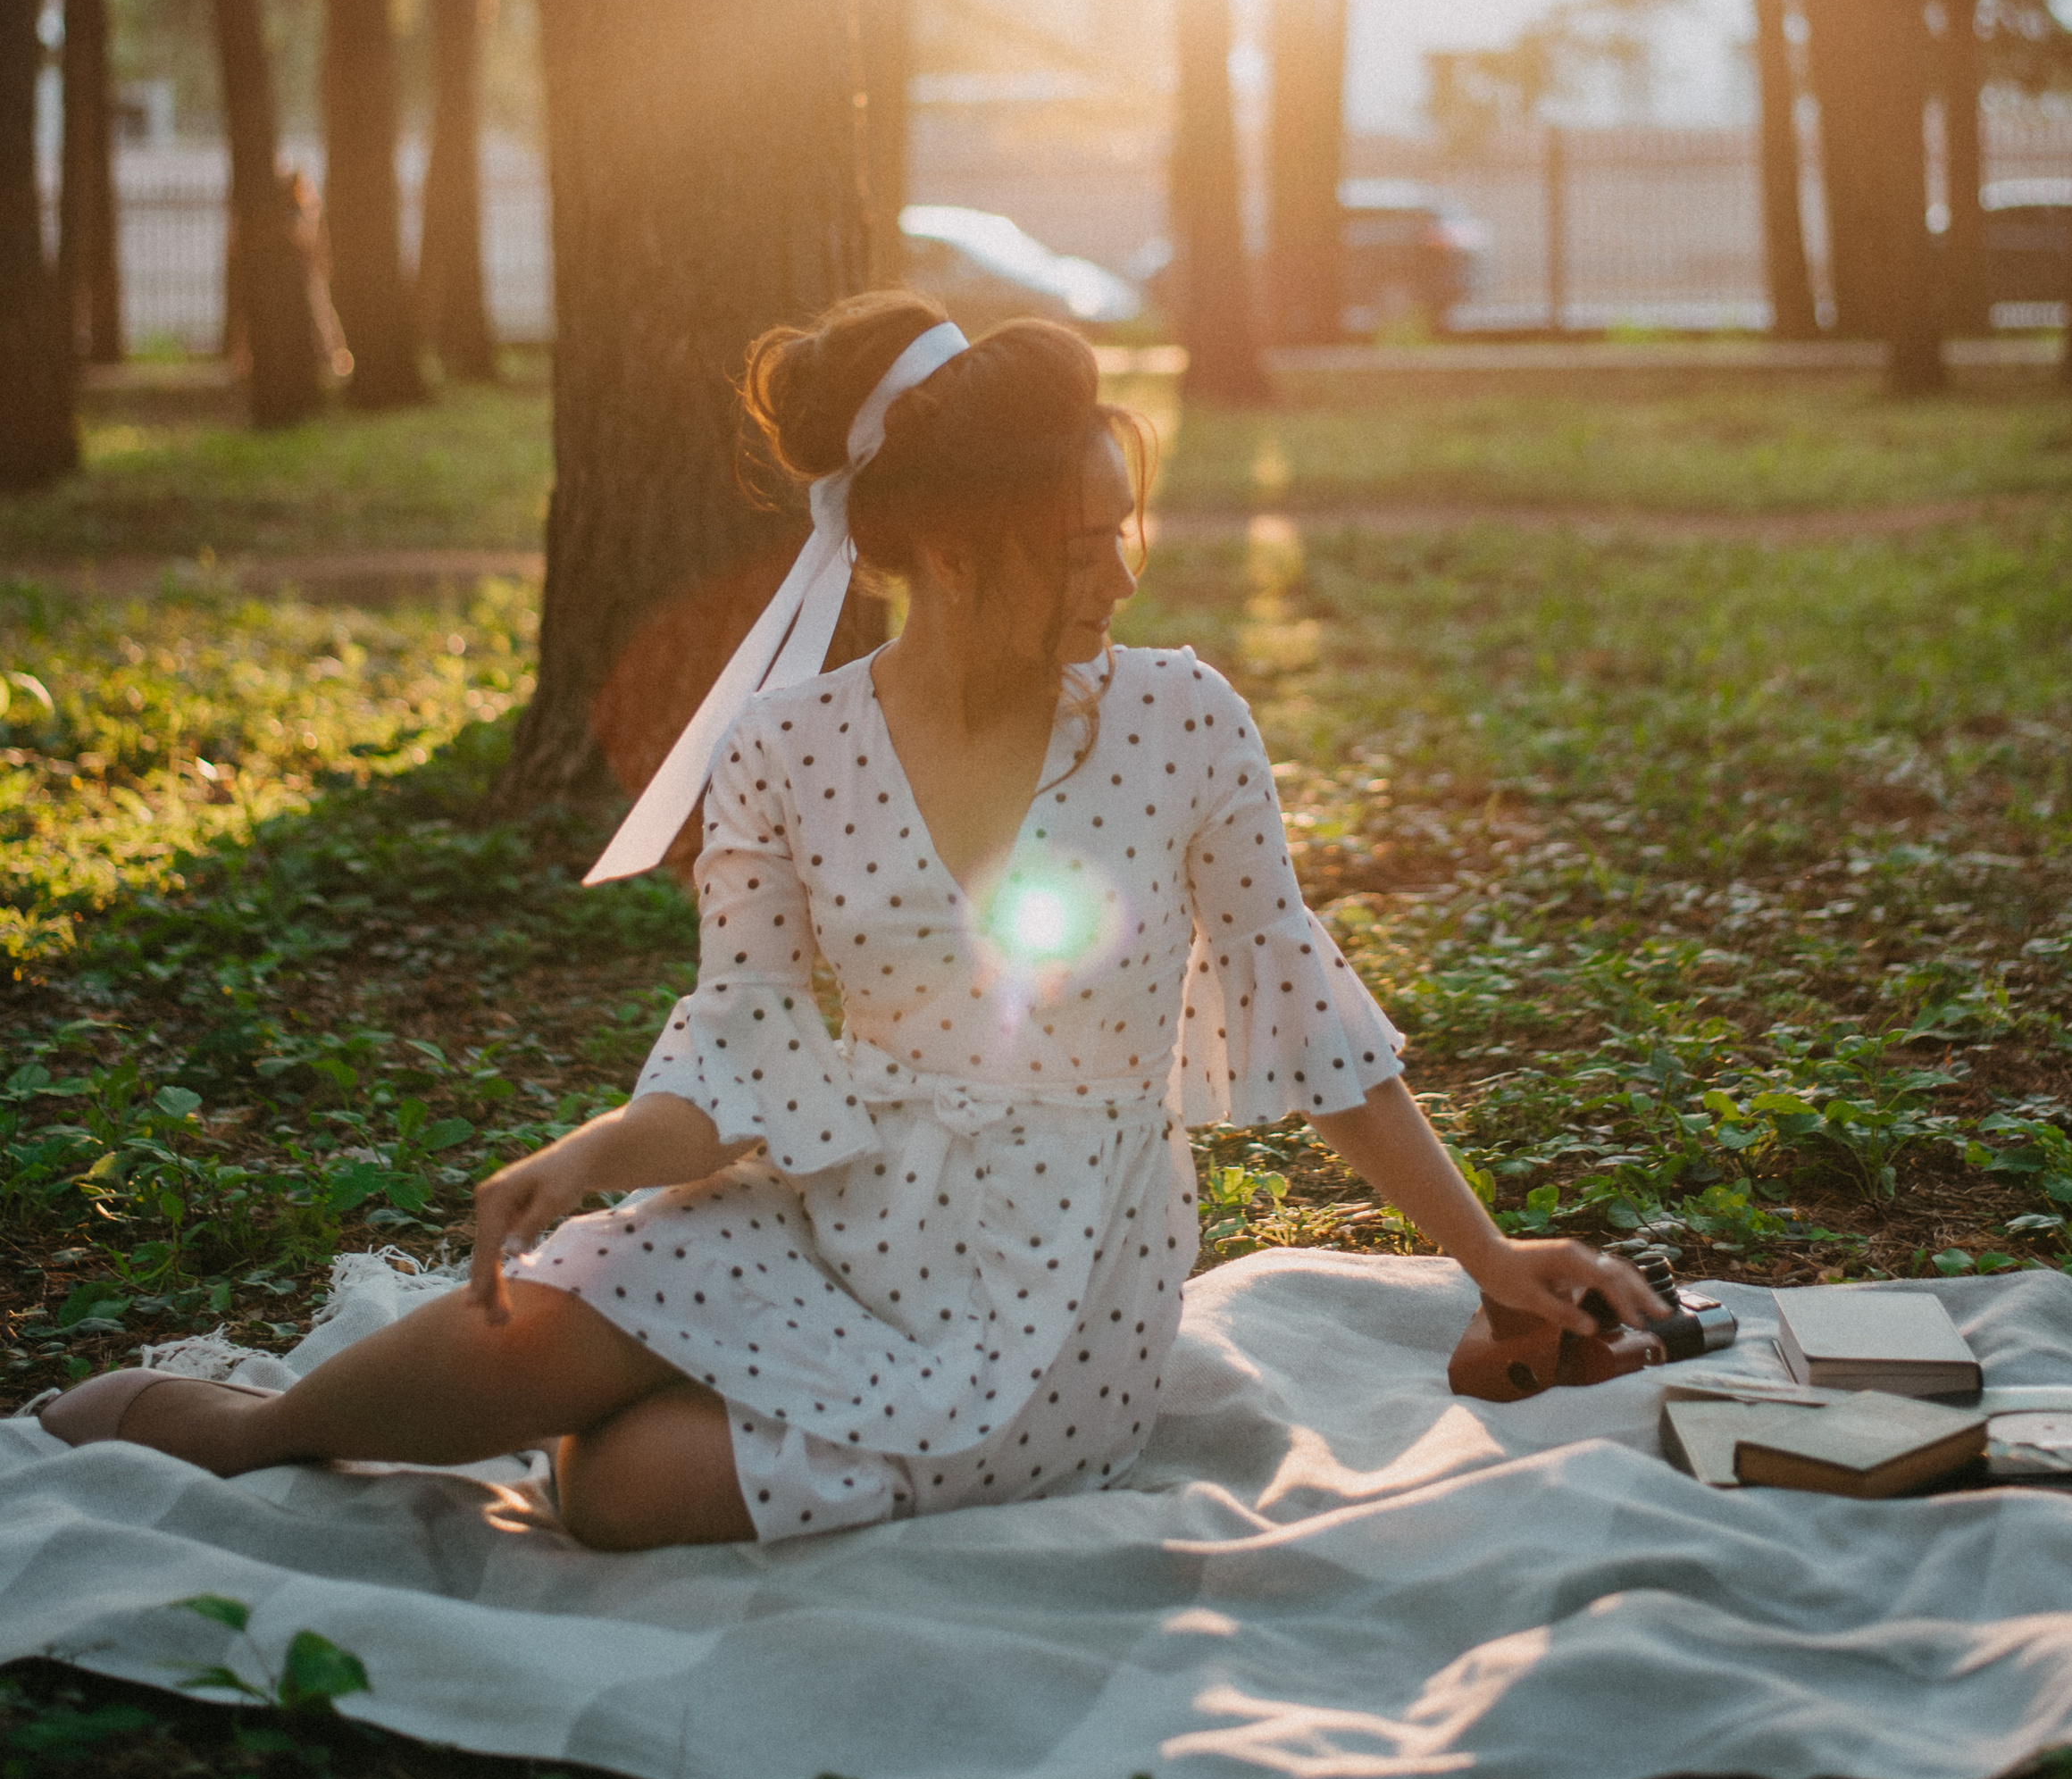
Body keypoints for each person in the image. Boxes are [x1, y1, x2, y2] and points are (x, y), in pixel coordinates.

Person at [41, 295, 1658, 1547]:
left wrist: (1488, 1255)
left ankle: (675, 1391)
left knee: (613, 1488)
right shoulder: (785, 748)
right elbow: (742, 1044)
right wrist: (594, 1151)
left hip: (1056, 1278)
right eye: (1078, 545)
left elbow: (1304, 1011)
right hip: (842, 1186)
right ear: (947, 546)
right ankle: (254, 1434)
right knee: (550, 1324)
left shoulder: (1182, 720)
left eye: (1123, 532)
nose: (1119, 579)